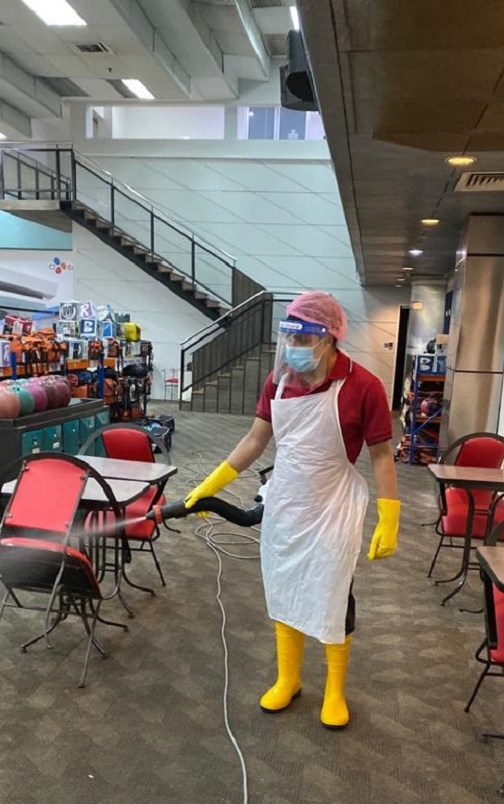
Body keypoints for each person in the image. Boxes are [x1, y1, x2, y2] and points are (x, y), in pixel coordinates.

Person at [185, 291, 400, 729]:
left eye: (304, 339)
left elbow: (381, 455)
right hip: (287, 502)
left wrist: (389, 517)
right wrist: (211, 483)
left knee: (333, 593)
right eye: (290, 337)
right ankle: (289, 679)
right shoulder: (279, 380)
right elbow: (255, 440)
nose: (295, 348)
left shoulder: (363, 386)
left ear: (331, 339)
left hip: (334, 506)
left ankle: (335, 691)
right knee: (285, 589)